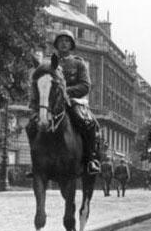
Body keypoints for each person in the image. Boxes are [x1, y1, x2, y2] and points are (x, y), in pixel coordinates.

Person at [29, 30, 101, 174]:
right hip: (51, 102)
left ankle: (91, 159)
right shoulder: (47, 63)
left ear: (71, 45)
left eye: (67, 41)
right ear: (56, 44)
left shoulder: (78, 63)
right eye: (61, 40)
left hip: (72, 102)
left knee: (90, 124)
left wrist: (65, 91)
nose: (63, 43)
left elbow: (85, 85)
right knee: (31, 124)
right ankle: (36, 162)